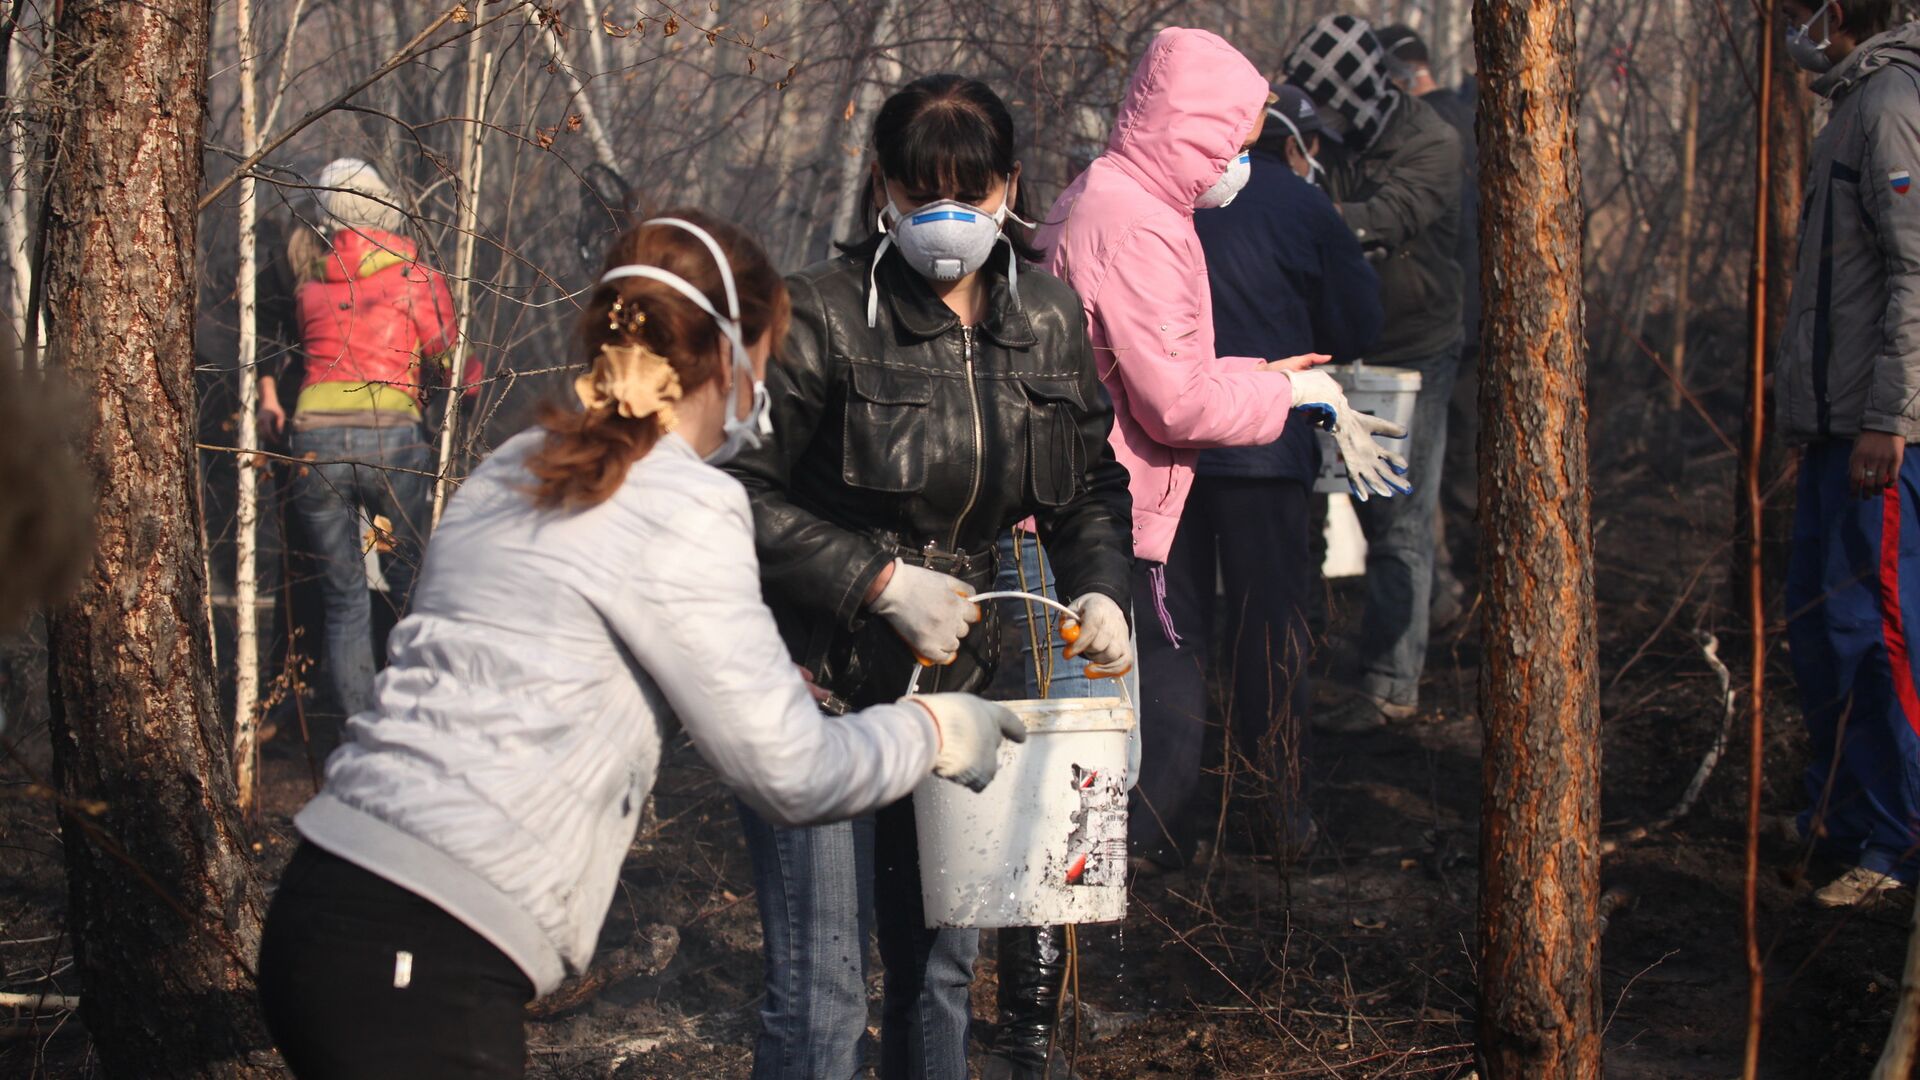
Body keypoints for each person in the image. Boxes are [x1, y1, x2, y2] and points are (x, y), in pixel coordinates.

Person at [255, 212, 1030, 1079]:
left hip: (323, 898)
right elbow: (796, 776)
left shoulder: (512, 466)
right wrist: (932, 729)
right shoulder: (686, 502)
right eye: (766, 361)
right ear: (729, 360)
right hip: (430, 945)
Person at [723, 76, 1135, 1080]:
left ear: (1010, 187)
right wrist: (874, 578)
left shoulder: (1045, 317)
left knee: (940, 967)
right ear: (883, 187)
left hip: (963, 684)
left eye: (971, 190)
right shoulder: (817, 315)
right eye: (920, 192)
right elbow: (734, 490)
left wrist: (1102, 588)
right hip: (816, 680)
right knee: (823, 992)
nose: (945, 217)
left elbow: (1087, 485)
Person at [1037, 27, 1407, 875]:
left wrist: (1258, 374)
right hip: (1143, 487)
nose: (1238, 165)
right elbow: (1174, 402)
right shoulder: (1144, 224)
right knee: (1184, 674)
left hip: (1133, 483)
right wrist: (1289, 392)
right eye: (1231, 143)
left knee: (1159, 664)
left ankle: (1116, 866)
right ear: (1197, 130)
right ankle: (1132, 868)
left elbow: (1169, 368)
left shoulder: (1105, 193)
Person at [1164, 84, 1383, 862]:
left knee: (1172, 635)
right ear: (1290, 145)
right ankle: (1272, 814)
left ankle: (1162, 825)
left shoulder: (1166, 190)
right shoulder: (1301, 204)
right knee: (1270, 633)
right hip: (1265, 445)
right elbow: (1358, 322)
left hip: (1173, 449)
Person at [1775, 0, 1920, 908]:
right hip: (1834, 428)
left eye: (1800, 9)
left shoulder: (1892, 101)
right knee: (1821, 625)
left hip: (1880, 436)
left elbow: (1916, 270)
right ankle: (1840, 814)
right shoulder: (1852, 103)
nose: (1794, 26)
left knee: (1880, 637)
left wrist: (1887, 417)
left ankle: (1895, 839)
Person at [1284, 15, 1465, 733]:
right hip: (1327, 345)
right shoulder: (1323, 138)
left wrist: (1295, 213)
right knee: (1304, 510)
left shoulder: (1433, 143)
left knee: (1396, 516)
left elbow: (1386, 217)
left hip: (1411, 349)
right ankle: (1293, 665)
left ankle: (1391, 682)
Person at [256, 157, 472, 718]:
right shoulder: (414, 277)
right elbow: (450, 361)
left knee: (343, 600)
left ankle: (357, 732)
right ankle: (414, 719)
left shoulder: (312, 286)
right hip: (391, 444)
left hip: (316, 445)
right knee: (408, 588)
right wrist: (468, 385)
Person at [1375, 23, 1481, 630]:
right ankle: (1458, 593)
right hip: (1471, 321)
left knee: (1445, 471)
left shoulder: (1428, 133)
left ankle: (1452, 595)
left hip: (1447, 325)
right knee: (1457, 467)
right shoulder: (1469, 120)